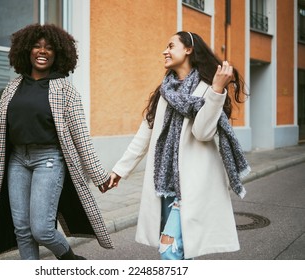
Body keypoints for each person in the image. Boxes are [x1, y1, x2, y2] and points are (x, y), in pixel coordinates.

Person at [0, 23, 114, 260]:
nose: (42, 51)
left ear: (58, 53)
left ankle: (70, 259)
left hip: (48, 160)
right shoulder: (11, 88)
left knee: (42, 229)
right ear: (26, 51)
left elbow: (81, 136)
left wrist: (99, 175)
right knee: (22, 228)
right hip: (17, 160)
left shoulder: (65, 90)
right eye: (37, 46)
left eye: (49, 48)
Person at [107, 31, 250, 260]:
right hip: (164, 185)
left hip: (192, 186)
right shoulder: (165, 91)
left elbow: (203, 133)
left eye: (171, 45)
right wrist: (120, 170)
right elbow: (144, 136)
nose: (165, 51)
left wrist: (216, 91)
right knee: (183, 253)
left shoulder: (207, 88)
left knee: (169, 251)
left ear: (188, 49)